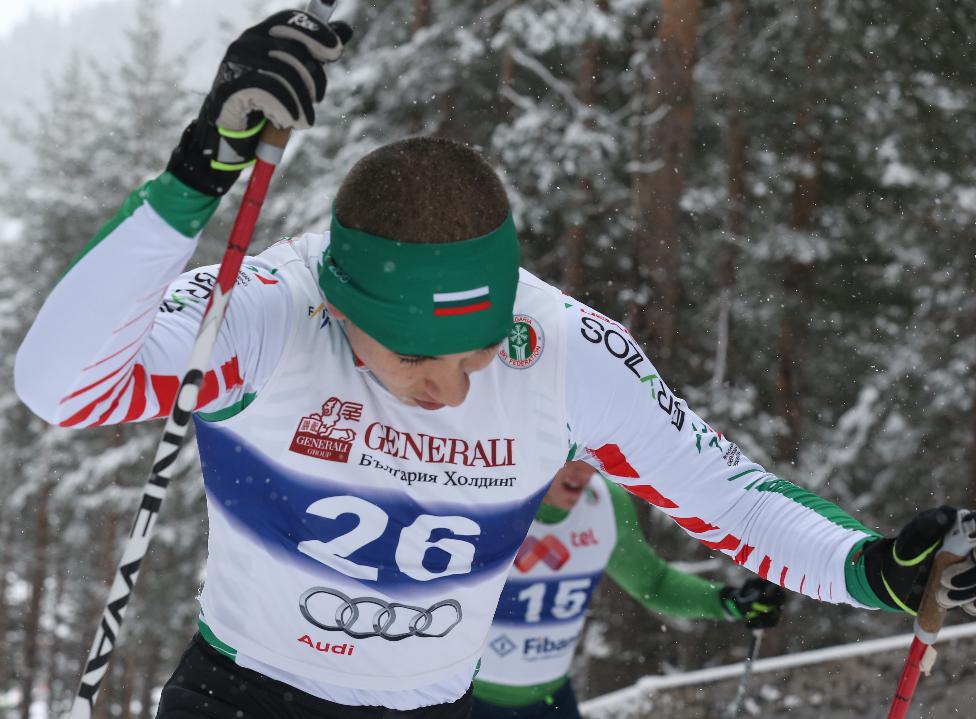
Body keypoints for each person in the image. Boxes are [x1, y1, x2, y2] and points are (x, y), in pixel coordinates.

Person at [13, 9, 976, 719]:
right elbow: (61, 384)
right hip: (245, 694)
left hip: (436, 705)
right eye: (413, 356)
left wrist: (870, 568)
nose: (451, 390)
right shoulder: (272, 311)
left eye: (477, 350)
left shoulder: (564, 348)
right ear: (340, 307)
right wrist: (197, 174)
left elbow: (726, 496)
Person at [471, 461, 785, 719]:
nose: (581, 471)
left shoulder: (604, 504)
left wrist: (729, 601)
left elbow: (654, 583)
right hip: (469, 700)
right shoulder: (489, 501)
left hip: (552, 700)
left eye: (587, 457)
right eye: (567, 457)